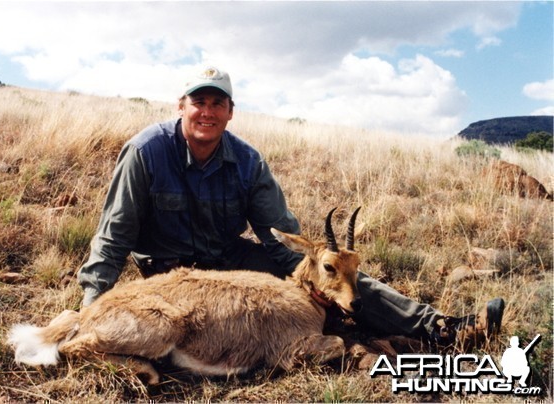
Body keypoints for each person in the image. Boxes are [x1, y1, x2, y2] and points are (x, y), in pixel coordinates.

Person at [77, 66, 505, 349]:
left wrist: (320, 270)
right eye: (199, 103)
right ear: (181, 106)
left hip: (229, 257)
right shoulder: (146, 152)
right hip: (169, 272)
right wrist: (91, 309)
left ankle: (442, 329)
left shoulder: (247, 161)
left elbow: (280, 235)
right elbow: (114, 237)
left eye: (217, 104)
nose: (207, 112)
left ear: (230, 112)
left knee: (331, 269)